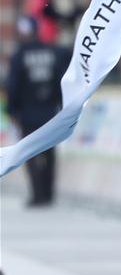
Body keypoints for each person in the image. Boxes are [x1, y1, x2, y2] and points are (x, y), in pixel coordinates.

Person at [5, 16, 70, 206]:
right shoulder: (52, 52)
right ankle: (48, 194)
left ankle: (38, 195)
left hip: (28, 114)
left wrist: (12, 111)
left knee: (30, 153)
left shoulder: (19, 56)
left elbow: (13, 86)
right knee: (49, 153)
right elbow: (61, 80)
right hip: (50, 112)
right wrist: (62, 105)